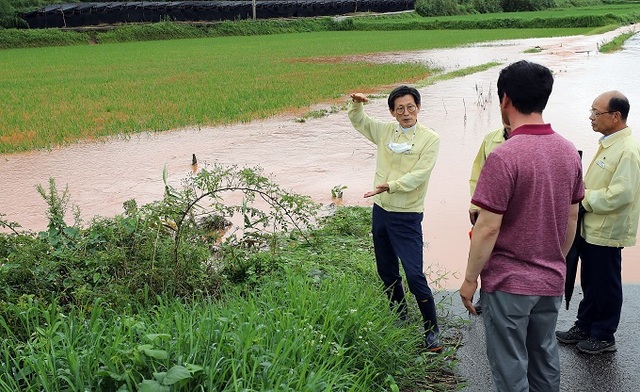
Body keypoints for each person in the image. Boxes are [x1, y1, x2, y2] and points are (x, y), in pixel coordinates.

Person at [459, 60, 584, 391]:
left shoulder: (504, 156)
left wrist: (470, 279)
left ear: (505, 100)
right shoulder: (569, 151)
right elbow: (572, 217)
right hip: (550, 279)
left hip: (509, 282)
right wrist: (553, 259)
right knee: (544, 359)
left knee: (510, 366)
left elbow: (487, 228)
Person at [348, 85, 442, 352]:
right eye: (399, 108)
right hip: (381, 211)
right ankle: (400, 316)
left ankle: (432, 330)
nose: (406, 113)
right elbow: (360, 121)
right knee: (386, 270)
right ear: (392, 111)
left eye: (410, 107)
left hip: (408, 214)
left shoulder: (429, 138)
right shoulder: (385, 131)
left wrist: (391, 185)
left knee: (414, 274)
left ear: (419, 108)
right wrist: (356, 104)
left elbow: (420, 175)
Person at [556, 91, 640, 355]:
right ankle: (585, 326)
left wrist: (584, 198)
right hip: (591, 227)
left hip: (607, 229)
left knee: (606, 283)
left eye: (596, 112)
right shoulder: (609, 144)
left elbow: (622, 194)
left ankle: (604, 335)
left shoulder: (627, 151)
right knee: (590, 280)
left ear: (615, 116)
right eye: (591, 111)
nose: (591, 117)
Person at [468, 124, 511, 314]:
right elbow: (477, 175)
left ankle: (510, 297)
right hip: (490, 209)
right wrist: (476, 204)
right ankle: (485, 296)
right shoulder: (491, 139)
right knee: (485, 252)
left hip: (517, 212)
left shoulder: (533, 141)